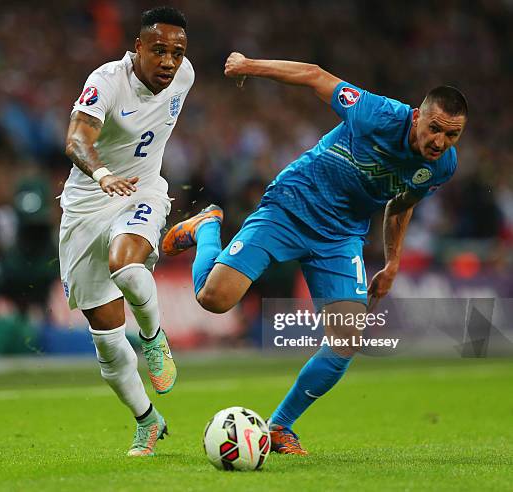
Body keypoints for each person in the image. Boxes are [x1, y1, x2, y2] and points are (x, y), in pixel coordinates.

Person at [163, 52, 467, 454]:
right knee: (214, 299)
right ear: (417, 117)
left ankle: (279, 426)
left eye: (451, 136)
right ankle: (207, 227)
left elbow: (401, 204)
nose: (439, 142)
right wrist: (248, 66)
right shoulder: (377, 113)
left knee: (346, 339)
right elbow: (313, 75)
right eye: (434, 130)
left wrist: (393, 262)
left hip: (340, 237)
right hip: (291, 205)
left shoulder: (442, 165)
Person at [59, 6, 194, 456]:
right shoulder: (107, 81)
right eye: (158, 50)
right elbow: (77, 137)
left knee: (126, 264)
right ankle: (148, 421)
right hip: (86, 203)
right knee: (108, 340)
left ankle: (155, 340)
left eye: (177, 52)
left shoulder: (185, 76)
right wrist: (101, 176)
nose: (169, 62)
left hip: (143, 191)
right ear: (136, 47)